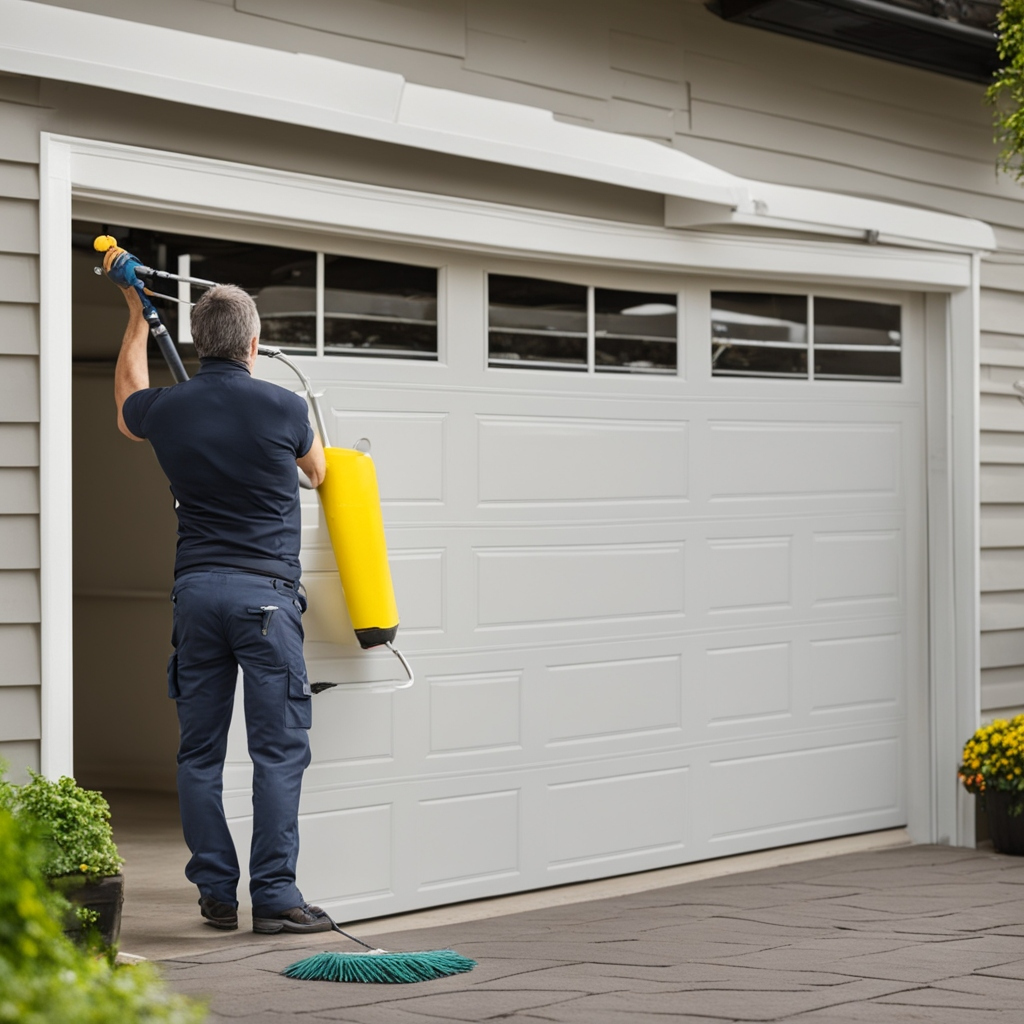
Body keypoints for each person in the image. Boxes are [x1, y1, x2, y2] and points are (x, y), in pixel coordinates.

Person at [112, 268, 331, 935]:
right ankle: (275, 895)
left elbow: (128, 401)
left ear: (198, 341)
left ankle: (214, 891)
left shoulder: (169, 411)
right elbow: (319, 472)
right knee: (277, 750)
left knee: (199, 754)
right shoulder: (286, 407)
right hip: (264, 600)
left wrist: (132, 313)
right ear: (254, 344)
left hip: (197, 594)